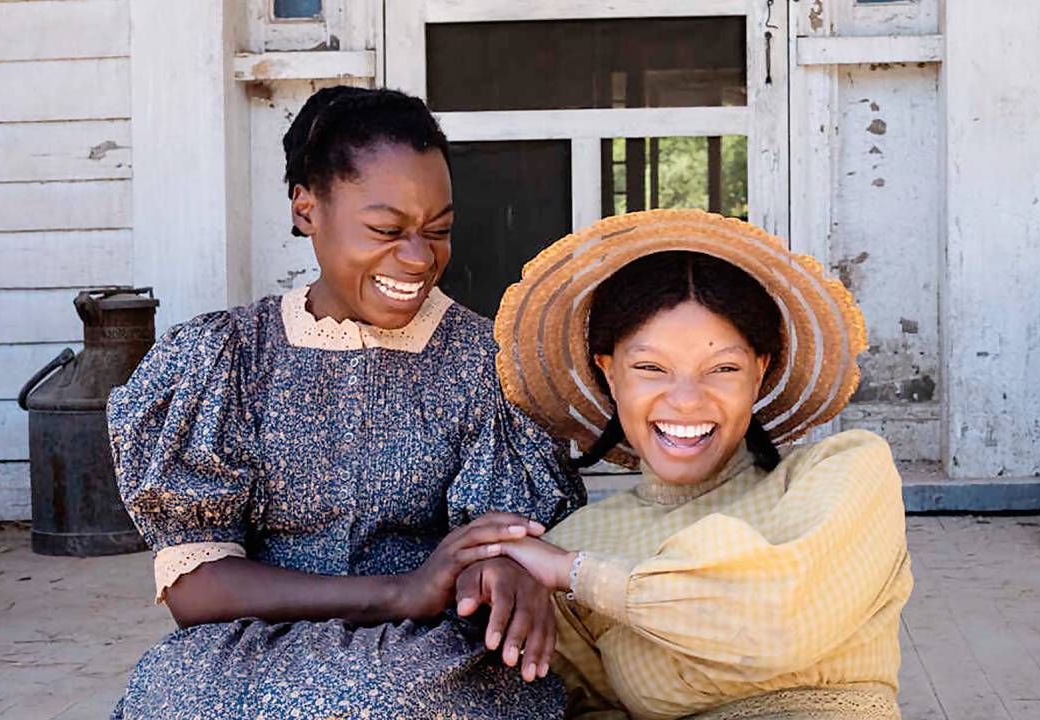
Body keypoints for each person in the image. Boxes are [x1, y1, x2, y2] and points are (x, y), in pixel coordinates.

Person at [106, 86, 586, 719]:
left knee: (376, 701)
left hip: (428, 652)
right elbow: (195, 587)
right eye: (386, 229)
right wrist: (396, 592)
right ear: (307, 208)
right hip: (251, 638)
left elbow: (495, 545)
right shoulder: (227, 358)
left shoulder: (483, 362)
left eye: (437, 230)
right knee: (168, 695)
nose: (418, 258)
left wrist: (492, 574)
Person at [486, 210, 914, 719]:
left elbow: (777, 623)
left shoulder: (843, 472)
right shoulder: (579, 539)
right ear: (609, 373)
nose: (686, 400)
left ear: (761, 371)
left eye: (723, 369)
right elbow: (582, 705)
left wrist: (576, 573)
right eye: (650, 368)